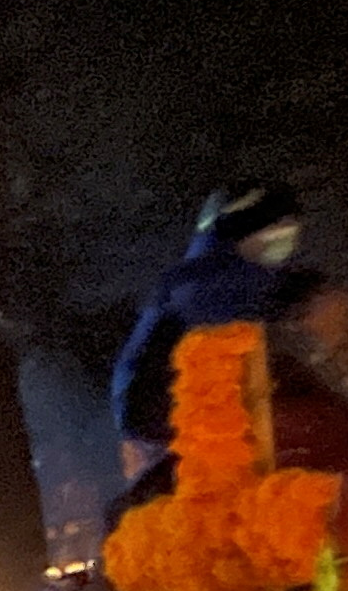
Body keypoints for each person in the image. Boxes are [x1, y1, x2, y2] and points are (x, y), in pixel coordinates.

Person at [111, 181, 309, 458]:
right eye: (275, 235)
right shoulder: (201, 283)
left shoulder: (218, 281)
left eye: (289, 238)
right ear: (241, 233)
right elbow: (234, 305)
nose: (282, 249)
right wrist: (301, 298)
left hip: (187, 427)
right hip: (172, 424)